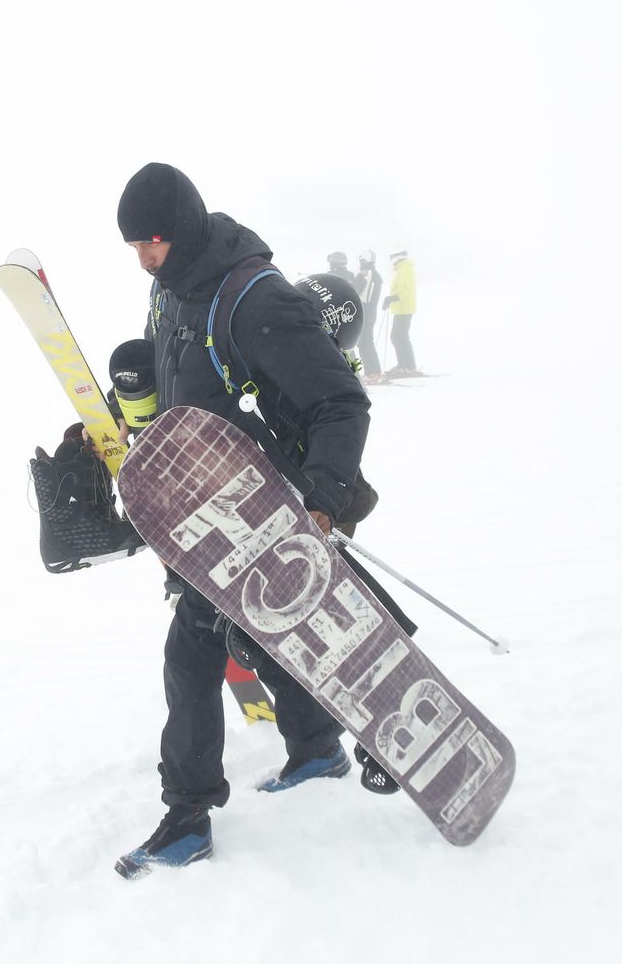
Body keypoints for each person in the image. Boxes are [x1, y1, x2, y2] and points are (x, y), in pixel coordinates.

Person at [110, 162, 374, 878]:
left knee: (189, 655)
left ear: (183, 228)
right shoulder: (169, 293)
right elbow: (176, 391)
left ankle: (187, 819)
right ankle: (316, 748)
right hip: (201, 507)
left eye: (151, 242)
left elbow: (341, 403)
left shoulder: (257, 299)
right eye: (133, 246)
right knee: (257, 634)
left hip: (267, 507)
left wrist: (320, 500)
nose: (143, 259)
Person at [381, 249, 418, 375]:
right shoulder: (403, 269)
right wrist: (392, 299)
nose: (391, 261)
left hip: (404, 308)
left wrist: (394, 298)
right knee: (400, 336)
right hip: (402, 308)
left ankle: (407, 366)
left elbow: (404, 289)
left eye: (392, 258)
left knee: (398, 336)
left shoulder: (404, 270)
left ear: (397, 257)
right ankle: (406, 365)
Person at [354, 251, 384, 382]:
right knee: (364, 342)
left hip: (366, 312)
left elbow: (358, 290)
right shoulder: (372, 274)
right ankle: (372, 371)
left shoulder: (368, 274)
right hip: (368, 312)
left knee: (365, 342)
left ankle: (374, 372)